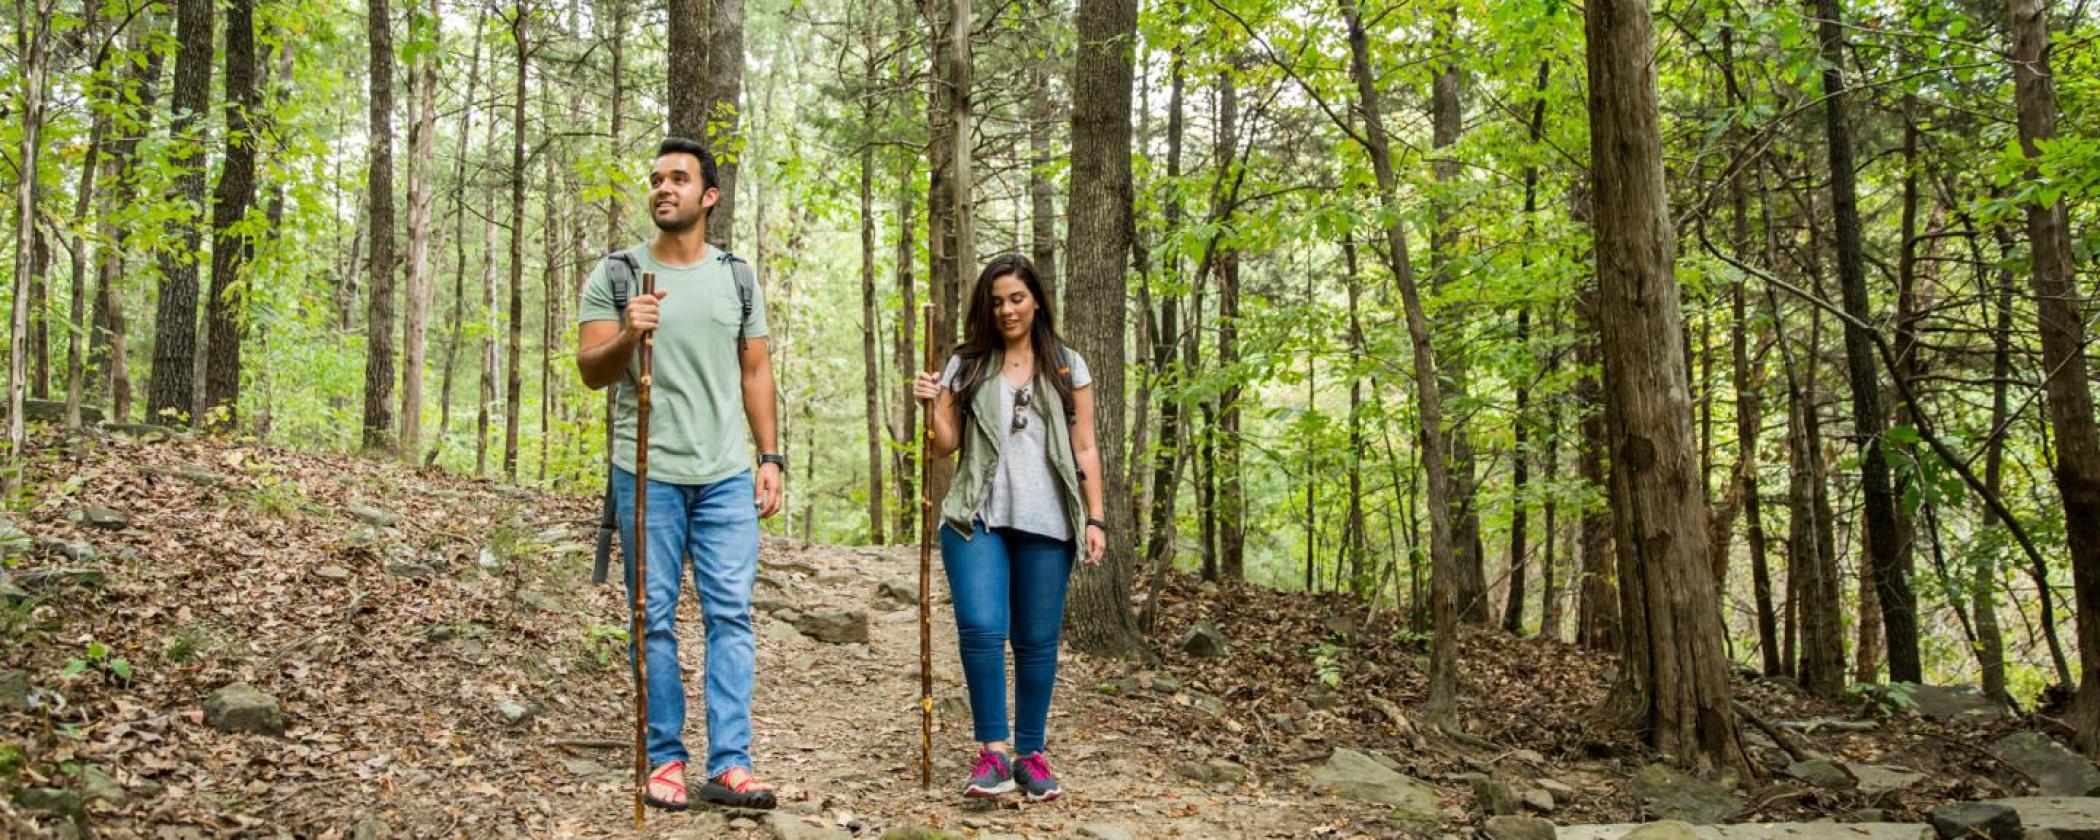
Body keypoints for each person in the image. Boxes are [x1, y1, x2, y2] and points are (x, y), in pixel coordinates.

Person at [576, 136, 784, 812]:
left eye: (679, 179)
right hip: (647, 473)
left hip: (725, 474)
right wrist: (629, 334)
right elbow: (589, 371)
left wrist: (770, 457)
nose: (664, 189)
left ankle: (730, 764)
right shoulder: (617, 275)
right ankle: (663, 757)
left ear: (709, 196)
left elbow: (756, 370)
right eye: (657, 179)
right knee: (652, 618)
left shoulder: (737, 276)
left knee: (731, 615)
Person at [912, 253, 1108, 802]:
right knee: (980, 627)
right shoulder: (966, 363)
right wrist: (932, 405)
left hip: (1049, 521)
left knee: (1037, 641)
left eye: (1016, 298)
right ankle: (993, 753)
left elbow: (1085, 445)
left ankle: (1032, 756)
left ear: (1037, 301)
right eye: (997, 301)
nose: (1007, 310)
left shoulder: (1068, 365)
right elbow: (944, 445)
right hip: (978, 517)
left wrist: (1095, 516)